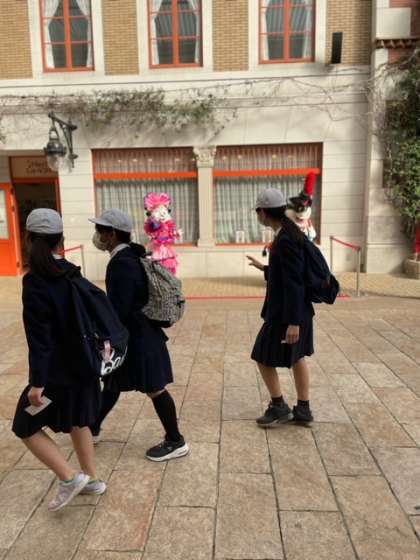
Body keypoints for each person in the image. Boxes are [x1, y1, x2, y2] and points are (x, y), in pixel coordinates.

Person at [12, 209, 106, 512]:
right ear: (60, 240)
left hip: (55, 376)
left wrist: (37, 384)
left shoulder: (35, 282)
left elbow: (40, 340)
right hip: (85, 368)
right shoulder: (71, 273)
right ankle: (91, 479)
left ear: (29, 239)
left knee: (24, 425)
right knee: (79, 421)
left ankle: (69, 478)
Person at [89, 209, 189, 462]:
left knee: (155, 389)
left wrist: (100, 328)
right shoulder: (131, 256)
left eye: (100, 230)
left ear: (112, 234)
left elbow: (119, 308)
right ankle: (93, 427)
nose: (97, 235)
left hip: (140, 339)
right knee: (112, 382)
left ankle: (176, 440)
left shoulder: (122, 263)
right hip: (136, 335)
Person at [247, 189, 314, 426]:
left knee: (261, 355)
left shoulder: (285, 239)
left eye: (257, 211)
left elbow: (294, 282)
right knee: (297, 357)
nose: (257, 215)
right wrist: (264, 268)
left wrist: (294, 322)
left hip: (287, 314)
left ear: (264, 213)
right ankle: (303, 410)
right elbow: (287, 273)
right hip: (297, 311)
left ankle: (279, 406)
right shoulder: (288, 232)